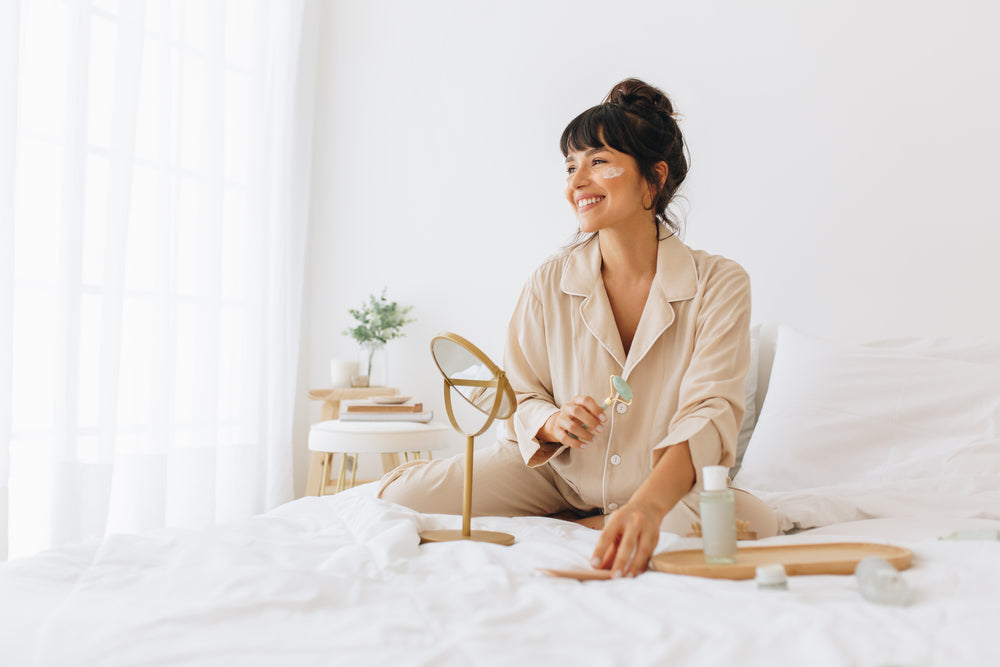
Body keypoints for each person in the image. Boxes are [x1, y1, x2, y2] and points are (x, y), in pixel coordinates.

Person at [378, 78, 778, 577]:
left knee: (749, 523)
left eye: (600, 162)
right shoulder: (549, 281)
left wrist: (649, 507)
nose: (577, 182)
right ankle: (585, 518)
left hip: (662, 486)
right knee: (401, 494)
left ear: (653, 179)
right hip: (558, 477)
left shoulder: (719, 283)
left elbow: (711, 413)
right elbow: (520, 393)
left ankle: (610, 518)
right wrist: (550, 422)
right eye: (571, 166)